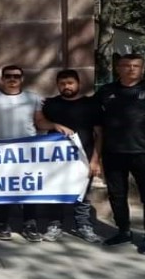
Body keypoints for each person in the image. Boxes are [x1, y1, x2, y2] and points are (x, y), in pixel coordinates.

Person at [0, 65, 71, 242]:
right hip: (0, 150)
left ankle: (30, 224)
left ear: (22, 79)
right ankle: (2, 223)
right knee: (3, 188)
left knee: (29, 187)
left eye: (16, 76)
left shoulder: (32, 98)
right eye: (8, 76)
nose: (12, 79)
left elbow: (40, 122)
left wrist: (55, 125)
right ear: (2, 79)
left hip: (28, 150)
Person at [95, 53, 145, 253]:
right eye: (126, 65)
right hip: (113, 152)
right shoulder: (106, 91)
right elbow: (92, 116)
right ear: (118, 68)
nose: (131, 69)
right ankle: (123, 231)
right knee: (117, 195)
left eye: (136, 66)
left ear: (142, 68)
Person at [40, 70, 102, 243]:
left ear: (78, 84)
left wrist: (95, 160)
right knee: (55, 191)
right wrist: (54, 125)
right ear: (57, 85)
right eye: (62, 83)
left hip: (84, 157)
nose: (66, 86)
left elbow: (99, 134)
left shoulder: (91, 104)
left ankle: (83, 226)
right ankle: (55, 225)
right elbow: (39, 123)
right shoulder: (51, 104)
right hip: (56, 158)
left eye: (70, 83)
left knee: (82, 193)